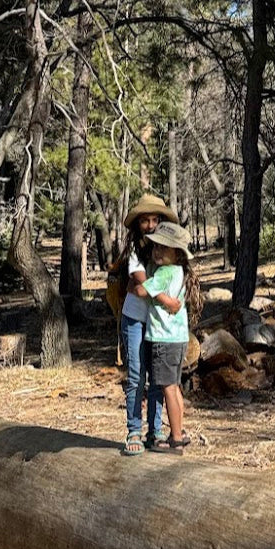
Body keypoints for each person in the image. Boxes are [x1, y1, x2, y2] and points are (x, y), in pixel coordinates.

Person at [117, 194, 177, 456]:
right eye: (145, 220)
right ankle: (133, 429)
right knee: (135, 375)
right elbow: (144, 286)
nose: (151, 225)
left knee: (157, 378)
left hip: (158, 324)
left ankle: (155, 431)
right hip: (134, 319)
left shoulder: (167, 249)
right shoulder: (134, 251)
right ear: (137, 224)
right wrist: (166, 299)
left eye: (155, 219)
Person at [142, 220, 201, 456]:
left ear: (176, 253)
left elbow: (143, 290)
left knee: (167, 388)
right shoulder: (179, 271)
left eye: (162, 248)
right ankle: (180, 431)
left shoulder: (165, 272)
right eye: (155, 247)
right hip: (178, 339)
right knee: (174, 386)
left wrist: (134, 283)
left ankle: (175, 438)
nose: (156, 252)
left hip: (164, 339)